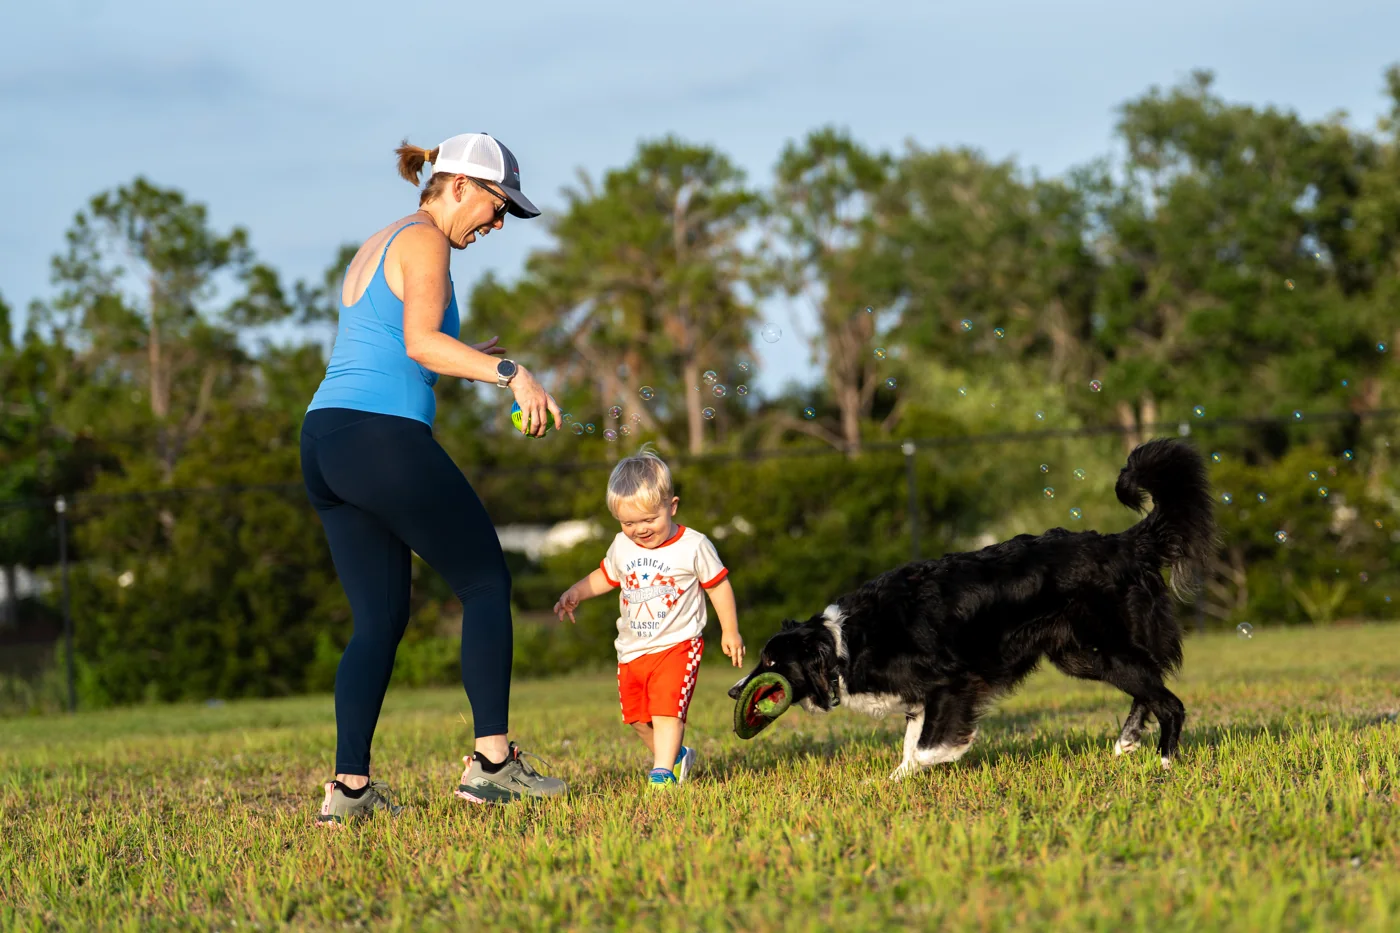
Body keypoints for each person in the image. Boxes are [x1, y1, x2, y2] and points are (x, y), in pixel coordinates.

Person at [301, 133, 567, 826]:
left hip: (327, 439)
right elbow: (419, 343)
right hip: (379, 437)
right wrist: (514, 373)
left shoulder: (381, 240)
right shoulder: (427, 242)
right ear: (455, 186)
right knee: (485, 582)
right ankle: (492, 765)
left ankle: (349, 791)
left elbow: (395, 344)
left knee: (380, 619)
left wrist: (468, 355)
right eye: (495, 202)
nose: (498, 220)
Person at [552, 446, 745, 789]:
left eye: (648, 520)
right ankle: (677, 756)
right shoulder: (621, 546)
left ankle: (662, 772)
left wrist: (730, 631)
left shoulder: (693, 546)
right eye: (628, 522)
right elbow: (606, 575)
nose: (639, 530)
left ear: (671, 507)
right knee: (638, 719)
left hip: (678, 645)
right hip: (631, 650)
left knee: (667, 711)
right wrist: (577, 592)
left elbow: (718, 586)